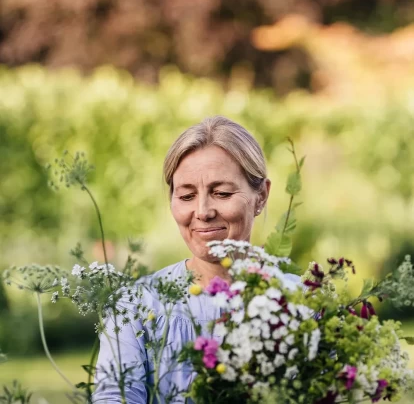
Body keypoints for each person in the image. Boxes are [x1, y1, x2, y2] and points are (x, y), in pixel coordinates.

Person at [93, 116, 300, 403]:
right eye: (187, 196)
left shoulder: (300, 304)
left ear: (261, 196)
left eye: (222, 193)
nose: (203, 211)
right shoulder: (136, 305)